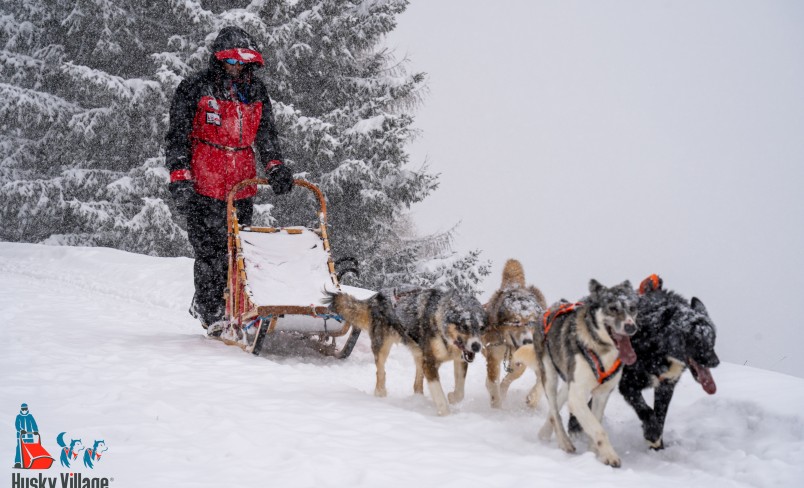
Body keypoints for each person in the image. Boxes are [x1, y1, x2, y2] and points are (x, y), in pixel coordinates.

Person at [166, 26, 293, 331]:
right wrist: (179, 176)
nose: (238, 69)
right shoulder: (195, 87)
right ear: (220, 60)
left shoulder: (257, 92)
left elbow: (266, 134)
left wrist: (275, 166)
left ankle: (236, 305)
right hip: (203, 183)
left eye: (244, 64)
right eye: (232, 63)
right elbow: (177, 136)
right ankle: (209, 309)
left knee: (237, 250)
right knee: (210, 252)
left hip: (241, 185)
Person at [14, 403, 39, 468]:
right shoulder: (18, 417)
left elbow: (34, 424)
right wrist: (20, 430)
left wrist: (35, 431)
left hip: (29, 436)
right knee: (19, 449)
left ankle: (31, 461)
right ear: (21, 409)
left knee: (30, 448)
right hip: (21, 436)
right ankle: (18, 462)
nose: (24, 410)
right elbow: (17, 425)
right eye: (23, 409)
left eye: (25, 409)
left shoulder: (30, 416)